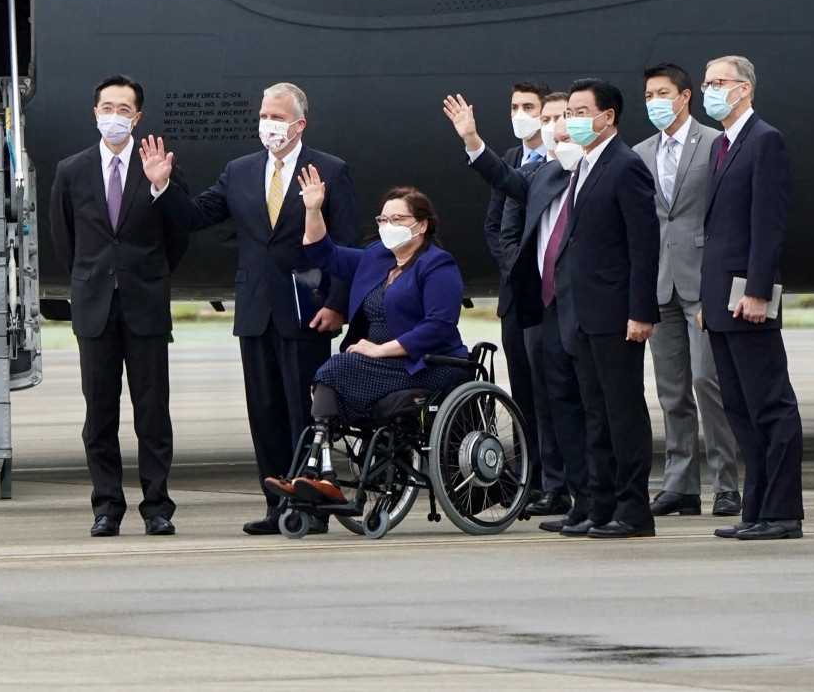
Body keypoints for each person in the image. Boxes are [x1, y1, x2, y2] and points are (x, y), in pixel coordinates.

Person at [152, 82, 357, 535]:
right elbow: (197, 216)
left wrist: (339, 304)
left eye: (278, 117)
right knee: (263, 411)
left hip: (307, 308)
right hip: (255, 309)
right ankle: (276, 505)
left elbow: (345, 243)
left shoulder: (328, 169)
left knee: (303, 412)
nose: (268, 124)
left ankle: (310, 506)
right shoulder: (240, 170)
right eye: (264, 115)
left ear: (299, 124)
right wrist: (163, 185)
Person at [50, 75, 185, 536]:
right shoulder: (71, 170)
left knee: (152, 411)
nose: (114, 117)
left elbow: (178, 233)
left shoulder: (159, 167)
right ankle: (107, 506)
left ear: (138, 117)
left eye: (124, 110)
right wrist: (89, 280)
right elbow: (64, 239)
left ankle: (158, 506)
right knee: (99, 413)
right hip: (94, 308)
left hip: (145, 303)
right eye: (107, 108)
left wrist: (161, 188)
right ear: (94, 113)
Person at [276, 177, 468, 502]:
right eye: (383, 219)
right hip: (379, 363)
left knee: (335, 369)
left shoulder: (437, 264)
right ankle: (317, 474)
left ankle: (319, 474)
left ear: (421, 226)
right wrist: (313, 209)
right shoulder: (377, 256)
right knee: (332, 375)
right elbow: (323, 254)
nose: (388, 225)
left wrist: (381, 350)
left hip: (425, 363)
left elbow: (439, 325)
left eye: (398, 219)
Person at [444, 91, 582, 525]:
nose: (553, 126)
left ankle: (591, 491)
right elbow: (504, 196)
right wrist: (471, 140)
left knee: (585, 401)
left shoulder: (603, 171)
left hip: (584, 306)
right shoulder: (537, 173)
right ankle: (553, 486)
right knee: (543, 398)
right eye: (549, 118)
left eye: (563, 117)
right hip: (538, 304)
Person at [539, 80, 661, 538]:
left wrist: (641, 311)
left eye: (580, 111)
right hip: (584, 314)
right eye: (568, 111)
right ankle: (600, 504)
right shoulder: (585, 166)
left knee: (623, 414)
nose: (571, 120)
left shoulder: (625, 166)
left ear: (607, 116)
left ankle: (634, 512)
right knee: (596, 415)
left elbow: (643, 245)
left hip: (617, 315)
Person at [700, 55, 806, 540]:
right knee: (740, 408)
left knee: (770, 404)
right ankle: (758, 507)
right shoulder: (723, 144)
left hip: (749, 298)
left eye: (717, 82)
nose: (709, 90)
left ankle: (783, 512)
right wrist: (706, 297)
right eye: (706, 82)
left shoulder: (765, 140)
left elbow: (768, 225)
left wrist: (759, 291)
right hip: (721, 299)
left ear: (744, 89)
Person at [636, 63, 740, 517]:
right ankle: (680, 485)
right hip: (660, 285)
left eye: (663, 93)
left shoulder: (716, 143)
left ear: (684, 97)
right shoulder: (640, 152)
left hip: (703, 282)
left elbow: (727, 218)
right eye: (648, 95)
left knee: (707, 382)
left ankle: (726, 482)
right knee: (671, 389)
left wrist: (718, 288)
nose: (655, 102)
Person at [480, 81, 554, 511]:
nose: (520, 114)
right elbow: (494, 226)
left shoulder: (558, 161)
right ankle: (532, 478)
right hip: (517, 295)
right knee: (524, 393)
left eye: (529, 107)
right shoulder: (510, 160)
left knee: (552, 392)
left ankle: (556, 479)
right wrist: (516, 269)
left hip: (550, 296)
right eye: (514, 106)